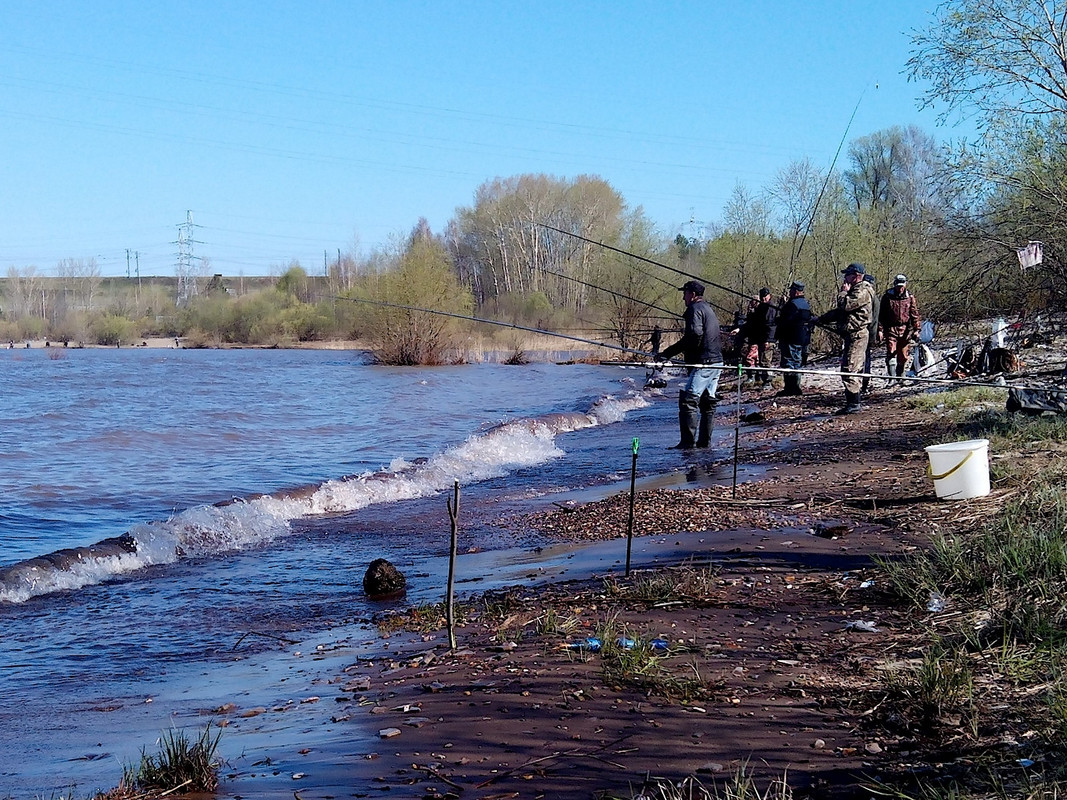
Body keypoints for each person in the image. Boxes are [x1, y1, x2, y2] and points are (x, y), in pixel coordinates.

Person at [659, 280, 723, 449]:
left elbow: (694, 335)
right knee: (708, 402)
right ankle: (704, 443)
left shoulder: (694, 309)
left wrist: (667, 353)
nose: (683, 298)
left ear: (693, 295)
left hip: (704, 363)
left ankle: (687, 443)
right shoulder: (708, 308)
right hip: (717, 361)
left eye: (685, 293)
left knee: (689, 401)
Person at [819, 262, 876, 414]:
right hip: (851, 334)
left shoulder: (862, 290)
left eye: (848, 275)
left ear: (856, 276)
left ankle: (854, 404)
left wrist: (843, 292)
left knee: (850, 369)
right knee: (848, 368)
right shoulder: (855, 290)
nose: (845, 278)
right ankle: (852, 402)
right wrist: (821, 319)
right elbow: (841, 313)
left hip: (858, 335)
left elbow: (846, 305)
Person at [877, 274, 921, 382]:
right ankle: (891, 378)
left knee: (903, 356)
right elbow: (881, 316)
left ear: (905, 285)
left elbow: (914, 314)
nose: (900, 288)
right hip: (891, 328)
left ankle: (900, 377)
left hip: (905, 329)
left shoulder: (909, 297)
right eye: (898, 286)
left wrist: (917, 329)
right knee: (891, 352)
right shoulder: (887, 297)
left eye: (902, 286)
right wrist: (880, 330)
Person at [774, 281, 812, 397]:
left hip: (790, 338)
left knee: (789, 363)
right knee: (797, 362)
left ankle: (790, 389)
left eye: (791, 290)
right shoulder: (805, 304)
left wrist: (778, 320)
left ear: (795, 292)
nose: (789, 292)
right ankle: (796, 387)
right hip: (801, 339)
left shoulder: (792, 305)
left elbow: (786, 322)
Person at [737, 288, 777, 386]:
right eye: (762, 296)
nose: (764, 298)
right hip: (761, 338)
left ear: (769, 296)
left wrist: (767, 339)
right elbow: (754, 323)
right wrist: (740, 329)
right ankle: (762, 380)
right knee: (762, 360)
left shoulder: (771, 308)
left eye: (765, 296)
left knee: (765, 361)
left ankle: (768, 382)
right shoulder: (761, 308)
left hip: (768, 339)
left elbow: (770, 325)